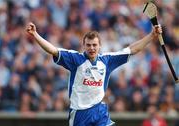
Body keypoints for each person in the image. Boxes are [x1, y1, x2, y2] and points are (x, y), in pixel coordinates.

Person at [26, 22, 162, 126]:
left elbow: (132, 49)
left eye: (94, 45)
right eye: (89, 45)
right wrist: (35, 35)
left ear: (100, 46)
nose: (92, 48)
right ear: (83, 45)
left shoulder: (107, 60)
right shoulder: (75, 59)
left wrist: (151, 35)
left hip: (99, 110)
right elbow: (53, 50)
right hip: (79, 113)